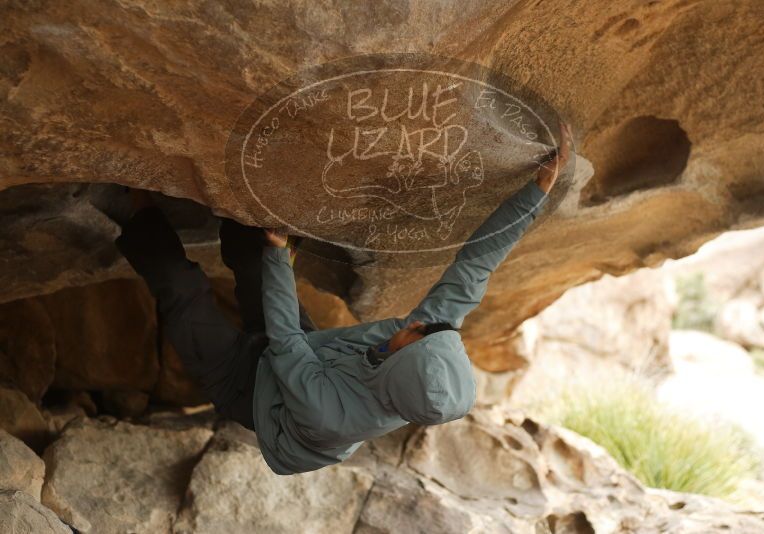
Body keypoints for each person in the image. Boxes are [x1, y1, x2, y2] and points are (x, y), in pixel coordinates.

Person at [115, 122, 573, 475]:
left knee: (181, 292)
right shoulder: (423, 343)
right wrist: (536, 194)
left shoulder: (333, 417)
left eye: (414, 335)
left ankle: (136, 204)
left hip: (247, 389)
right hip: (310, 357)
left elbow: (285, 345)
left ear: (401, 367)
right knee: (255, 255)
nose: (412, 325)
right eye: (425, 329)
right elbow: (474, 266)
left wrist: (281, 259)